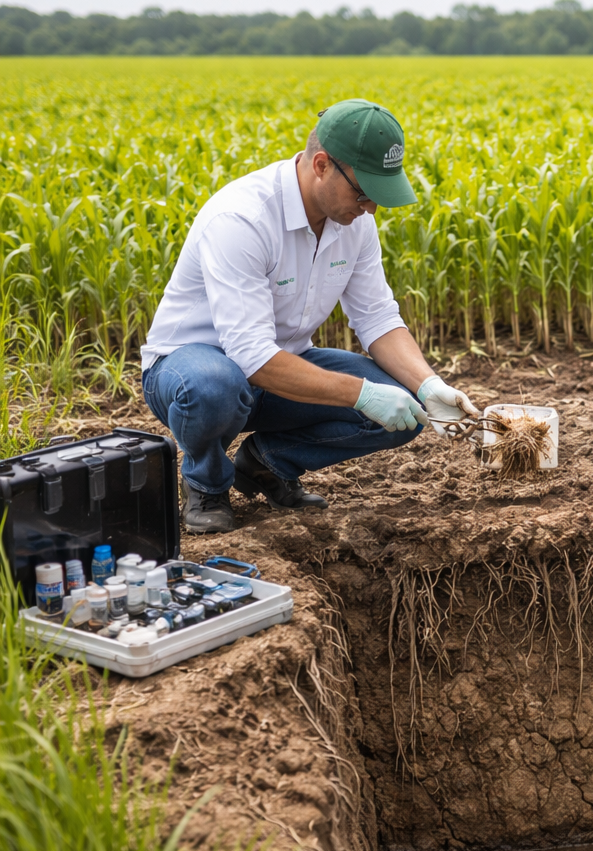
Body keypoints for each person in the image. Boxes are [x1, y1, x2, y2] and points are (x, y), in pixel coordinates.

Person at [140, 99, 480, 533]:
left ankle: (265, 464)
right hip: (190, 372)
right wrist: (360, 394)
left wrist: (429, 385)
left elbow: (377, 317)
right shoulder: (242, 219)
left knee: (402, 400)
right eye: (363, 193)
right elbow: (250, 356)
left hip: (281, 370)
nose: (371, 208)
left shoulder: (354, 222)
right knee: (215, 385)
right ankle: (206, 485)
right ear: (321, 164)